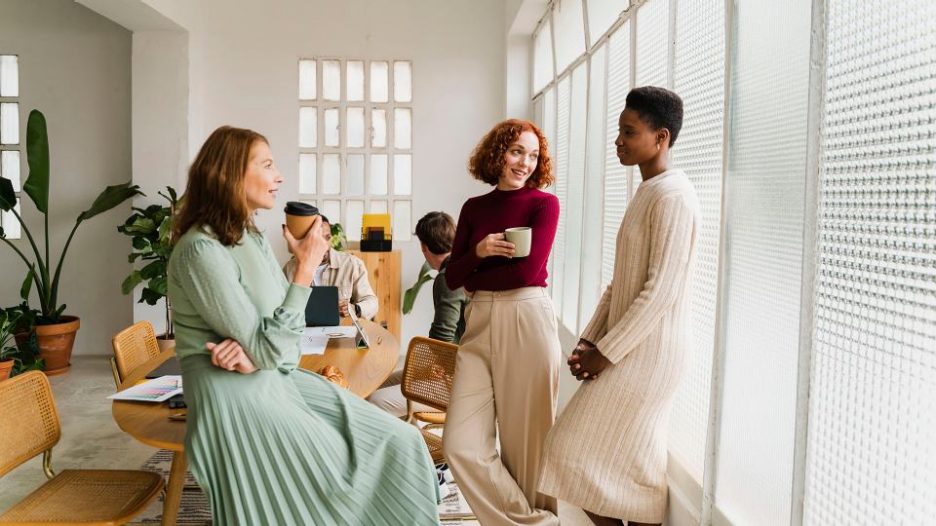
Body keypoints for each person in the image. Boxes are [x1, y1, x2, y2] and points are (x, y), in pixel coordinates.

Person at [167, 125, 440, 524]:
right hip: (233, 398)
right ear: (229, 174)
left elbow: (287, 343)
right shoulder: (200, 251)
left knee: (400, 440)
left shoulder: (251, 239)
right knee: (337, 473)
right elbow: (273, 346)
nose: (278, 176)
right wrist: (305, 270)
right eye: (267, 165)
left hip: (275, 379)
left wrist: (259, 351)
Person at [538, 87, 700, 526]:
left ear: (661, 137)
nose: (619, 141)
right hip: (631, 344)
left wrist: (604, 353)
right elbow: (621, 283)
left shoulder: (673, 196)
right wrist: (589, 338)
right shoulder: (649, 191)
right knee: (631, 462)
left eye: (630, 132)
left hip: (652, 351)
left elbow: (660, 291)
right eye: (619, 131)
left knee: (568, 449)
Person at [443, 119, 562, 526]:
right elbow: (453, 277)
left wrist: (475, 274)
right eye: (516, 152)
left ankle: (533, 517)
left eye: (533, 155)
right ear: (497, 154)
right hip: (477, 324)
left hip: (525, 316)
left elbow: (527, 274)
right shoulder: (474, 208)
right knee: (459, 444)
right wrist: (478, 252)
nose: (524, 163)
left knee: (527, 450)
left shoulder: (543, 204)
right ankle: (537, 523)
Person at [368, 211, 467, 417]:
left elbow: (443, 335)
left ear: (424, 247)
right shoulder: (462, 268)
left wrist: (435, 365)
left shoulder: (449, 277)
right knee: (376, 383)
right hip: (454, 368)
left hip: (458, 382)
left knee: (376, 401)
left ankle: (404, 445)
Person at [283, 215, 378, 319]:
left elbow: (372, 303)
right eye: (318, 239)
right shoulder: (289, 269)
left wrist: (355, 309)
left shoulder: (352, 264)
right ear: (306, 239)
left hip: (340, 332)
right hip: (302, 331)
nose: (324, 245)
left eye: (327, 237)